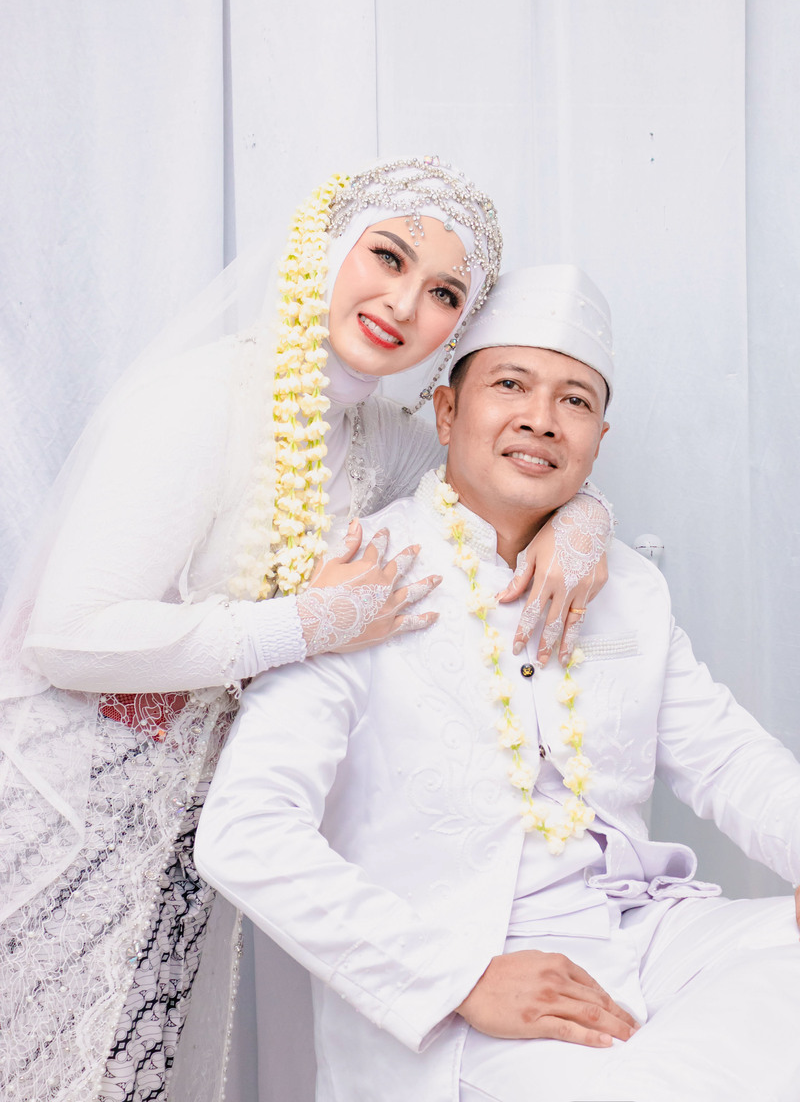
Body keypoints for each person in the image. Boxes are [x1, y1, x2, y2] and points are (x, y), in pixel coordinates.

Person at [0, 162, 612, 1102]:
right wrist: (304, 625)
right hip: (65, 809)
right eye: (388, 257)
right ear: (324, 248)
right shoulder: (208, 395)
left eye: (444, 293)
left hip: (186, 842)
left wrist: (584, 520)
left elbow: (502, 468)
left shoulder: (370, 435)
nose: (403, 303)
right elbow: (67, 635)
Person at [196, 263, 800, 1102]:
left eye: (574, 400)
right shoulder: (364, 579)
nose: (540, 419)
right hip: (468, 979)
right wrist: (460, 979)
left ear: (598, 438)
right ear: (446, 412)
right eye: (510, 384)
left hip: (652, 933)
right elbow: (245, 831)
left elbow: (728, 760)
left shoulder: (625, 584)